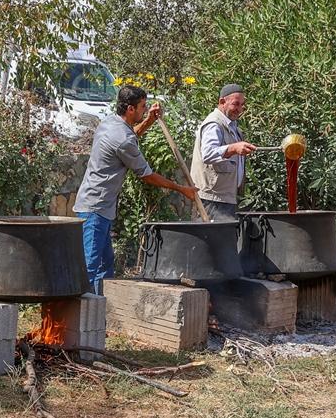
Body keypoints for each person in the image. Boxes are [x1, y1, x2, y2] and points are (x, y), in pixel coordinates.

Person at [72, 86, 198, 294]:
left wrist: (148, 120)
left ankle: (101, 312)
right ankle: (81, 319)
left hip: (97, 207)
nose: (144, 109)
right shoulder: (122, 138)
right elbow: (146, 174)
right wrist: (181, 188)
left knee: (105, 265)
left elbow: (129, 139)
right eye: (142, 107)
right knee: (91, 267)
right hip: (95, 208)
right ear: (130, 109)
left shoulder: (110, 123)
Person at [189, 83, 259, 221]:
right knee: (214, 240)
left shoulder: (232, 126)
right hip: (212, 199)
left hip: (225, 198)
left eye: (242, 105)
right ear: (222, 102)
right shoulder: (214, 124)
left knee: (224, 240)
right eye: (236, 104)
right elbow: (208, 154)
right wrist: (233, 148)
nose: (239, 109)